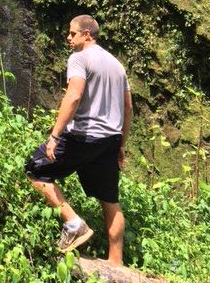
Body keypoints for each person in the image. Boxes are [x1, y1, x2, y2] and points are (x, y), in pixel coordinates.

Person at [25, 14, 132, 265]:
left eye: (72, 33)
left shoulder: (79, 58)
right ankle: (116, 263)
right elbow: (128, 107)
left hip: (84, 136)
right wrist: (121, 144)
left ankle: (74, 223)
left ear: (87, 34)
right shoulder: (117, 65)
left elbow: (73, 96)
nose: (68, 38)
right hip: (110, 139)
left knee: (34, 169)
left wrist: (55, 135)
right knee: (110, 199)